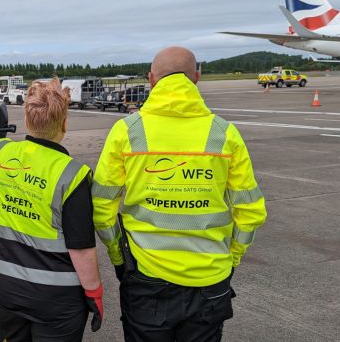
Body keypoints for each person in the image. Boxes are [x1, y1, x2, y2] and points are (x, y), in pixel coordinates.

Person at [92, 46, 267, 342]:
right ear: (196, 78)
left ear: (151, 80)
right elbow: (250, 212)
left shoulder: (127, 130)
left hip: (146, 278)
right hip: (210, 279)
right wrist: (231, 259)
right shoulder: (224, 133)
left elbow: (101, 206)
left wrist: (118, 256)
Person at [0, 77, 103, 341]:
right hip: (55, 300)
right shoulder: (73, 175)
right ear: (64, 123)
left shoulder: (1, 153)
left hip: (7, 290)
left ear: (27, 120)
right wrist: (94, 293)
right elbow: (80, 248)